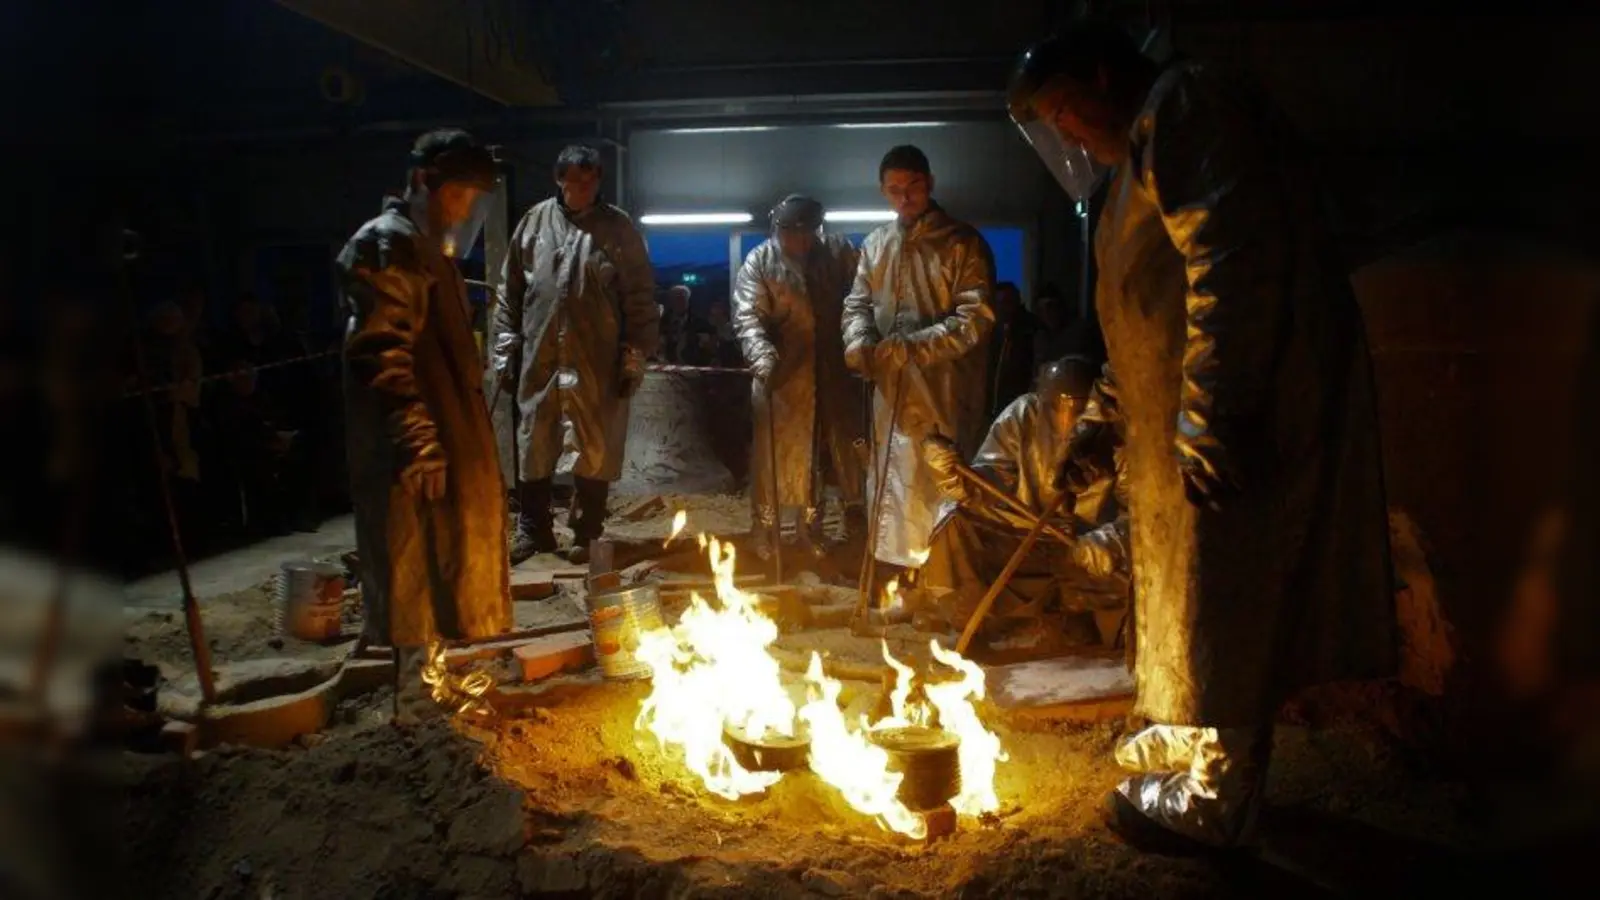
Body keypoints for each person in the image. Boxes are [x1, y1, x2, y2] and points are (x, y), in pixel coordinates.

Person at [1009, 22, 1394, 851]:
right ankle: (1190, 731)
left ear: (1108, 75)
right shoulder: (1133, 160)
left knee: (1227, 594)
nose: (1069, 133)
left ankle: (1222, 797)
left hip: (1235, 410)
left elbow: (1228, 264)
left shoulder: (1190, 107)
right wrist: (1101, 429)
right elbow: (1140, 321)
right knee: (1182, 592)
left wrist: (1213, 415)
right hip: (1177, 422)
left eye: (1069, 110)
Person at [336, 128, 513, 717]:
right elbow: (381, 349)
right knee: (412, 558)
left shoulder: (429, 252)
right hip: (412, 445)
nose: (466, 211)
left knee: (446, 557)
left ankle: (438, 678)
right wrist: (418, 440)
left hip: (445, 434)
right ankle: (412, 697)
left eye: (473, 201)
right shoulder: (389, 245)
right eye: (459, 196)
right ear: (422, 183)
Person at [493, 144, 659, 564]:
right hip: (541, 357)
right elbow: (510, 291)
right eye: (575, 181)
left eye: (591, 180)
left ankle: (587, 532)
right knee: (536, 439)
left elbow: (640, 299)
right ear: (559, 180)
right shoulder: (533, 224)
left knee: (594, 445)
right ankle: (534, 530)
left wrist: (634, 356)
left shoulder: (619, 230)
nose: (584, 188)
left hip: (595, 360)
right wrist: (506, 348)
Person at [842, 145, 995, 574]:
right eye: (894, 190)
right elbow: (857, 304)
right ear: (883, 192)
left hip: (944, 389)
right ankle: (896, 577)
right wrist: (858, 340)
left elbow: (974, 318)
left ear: (929, 184)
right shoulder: (876, 245)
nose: (904, 198)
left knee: (939, 480)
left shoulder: (962, 243)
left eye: (912, 187)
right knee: (892, 479)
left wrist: (911, 347)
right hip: (889, 391)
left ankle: (942, 581)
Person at [920, 356, 1128, 652]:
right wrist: (952, 473)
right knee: (953, 519)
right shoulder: (1023, 416)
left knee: (1126, 574)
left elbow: (1140, 518)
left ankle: (1074, 623)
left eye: (1078, 410)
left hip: (1078, 545)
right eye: (1057, 408)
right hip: (1021, 533)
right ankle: (971, 619)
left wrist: (1110, 540)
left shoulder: (1117, 434)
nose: (1066, 420)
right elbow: (986, 486)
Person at [732, 194, 867, 560]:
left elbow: (861, 299)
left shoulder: (838, 254)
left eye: (808, 233)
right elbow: (747, 317)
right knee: (775, 462)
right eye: (792, 233)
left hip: (834, 376)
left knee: (831, 454)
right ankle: (768, 529)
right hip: (783, 380)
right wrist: (762, 355)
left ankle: (823, 526)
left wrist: (859, 345)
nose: (801, 242)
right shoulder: (760, 261)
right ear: (778, 230)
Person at [985, 281, 1038, 420]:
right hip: (995, 407)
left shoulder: (1030, 330)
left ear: (1016, 302)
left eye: (1007, 302)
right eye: (999, 303)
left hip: (1019, 407)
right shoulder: (995, 331)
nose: (1002, 308)